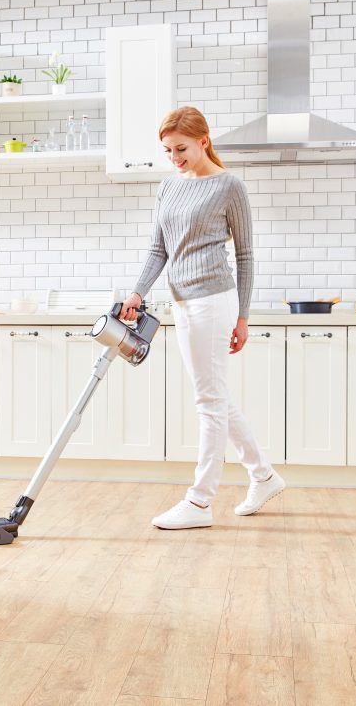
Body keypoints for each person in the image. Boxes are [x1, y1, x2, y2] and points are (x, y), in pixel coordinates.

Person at [120, 106, 285, 530]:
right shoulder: (168, 188)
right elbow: (159, 249)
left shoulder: (229, 186)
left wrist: (243, 316)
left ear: (203, 141)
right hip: (182, 301)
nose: (174, 156)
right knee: (213, 396)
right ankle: (263, 476)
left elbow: (246, 256)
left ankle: (200, 501)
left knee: (208, 400)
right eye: (167, 150)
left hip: (215, 299)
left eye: (181, 148)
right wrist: (139, 290)